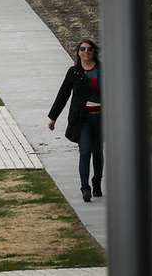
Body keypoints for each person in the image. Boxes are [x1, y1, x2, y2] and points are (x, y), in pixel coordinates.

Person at [48, 39, 104, 202]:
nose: (86, 52)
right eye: (82, 49)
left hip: (100, 118)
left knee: (97, 152)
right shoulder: (74, 72)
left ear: (94, 51)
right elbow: (63, 95)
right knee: (85, 151)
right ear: (78, 52)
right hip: (82, 119)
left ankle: (97, 182)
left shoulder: (103, 70)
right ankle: (85, 188)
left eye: (89, 49)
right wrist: (53, 117)